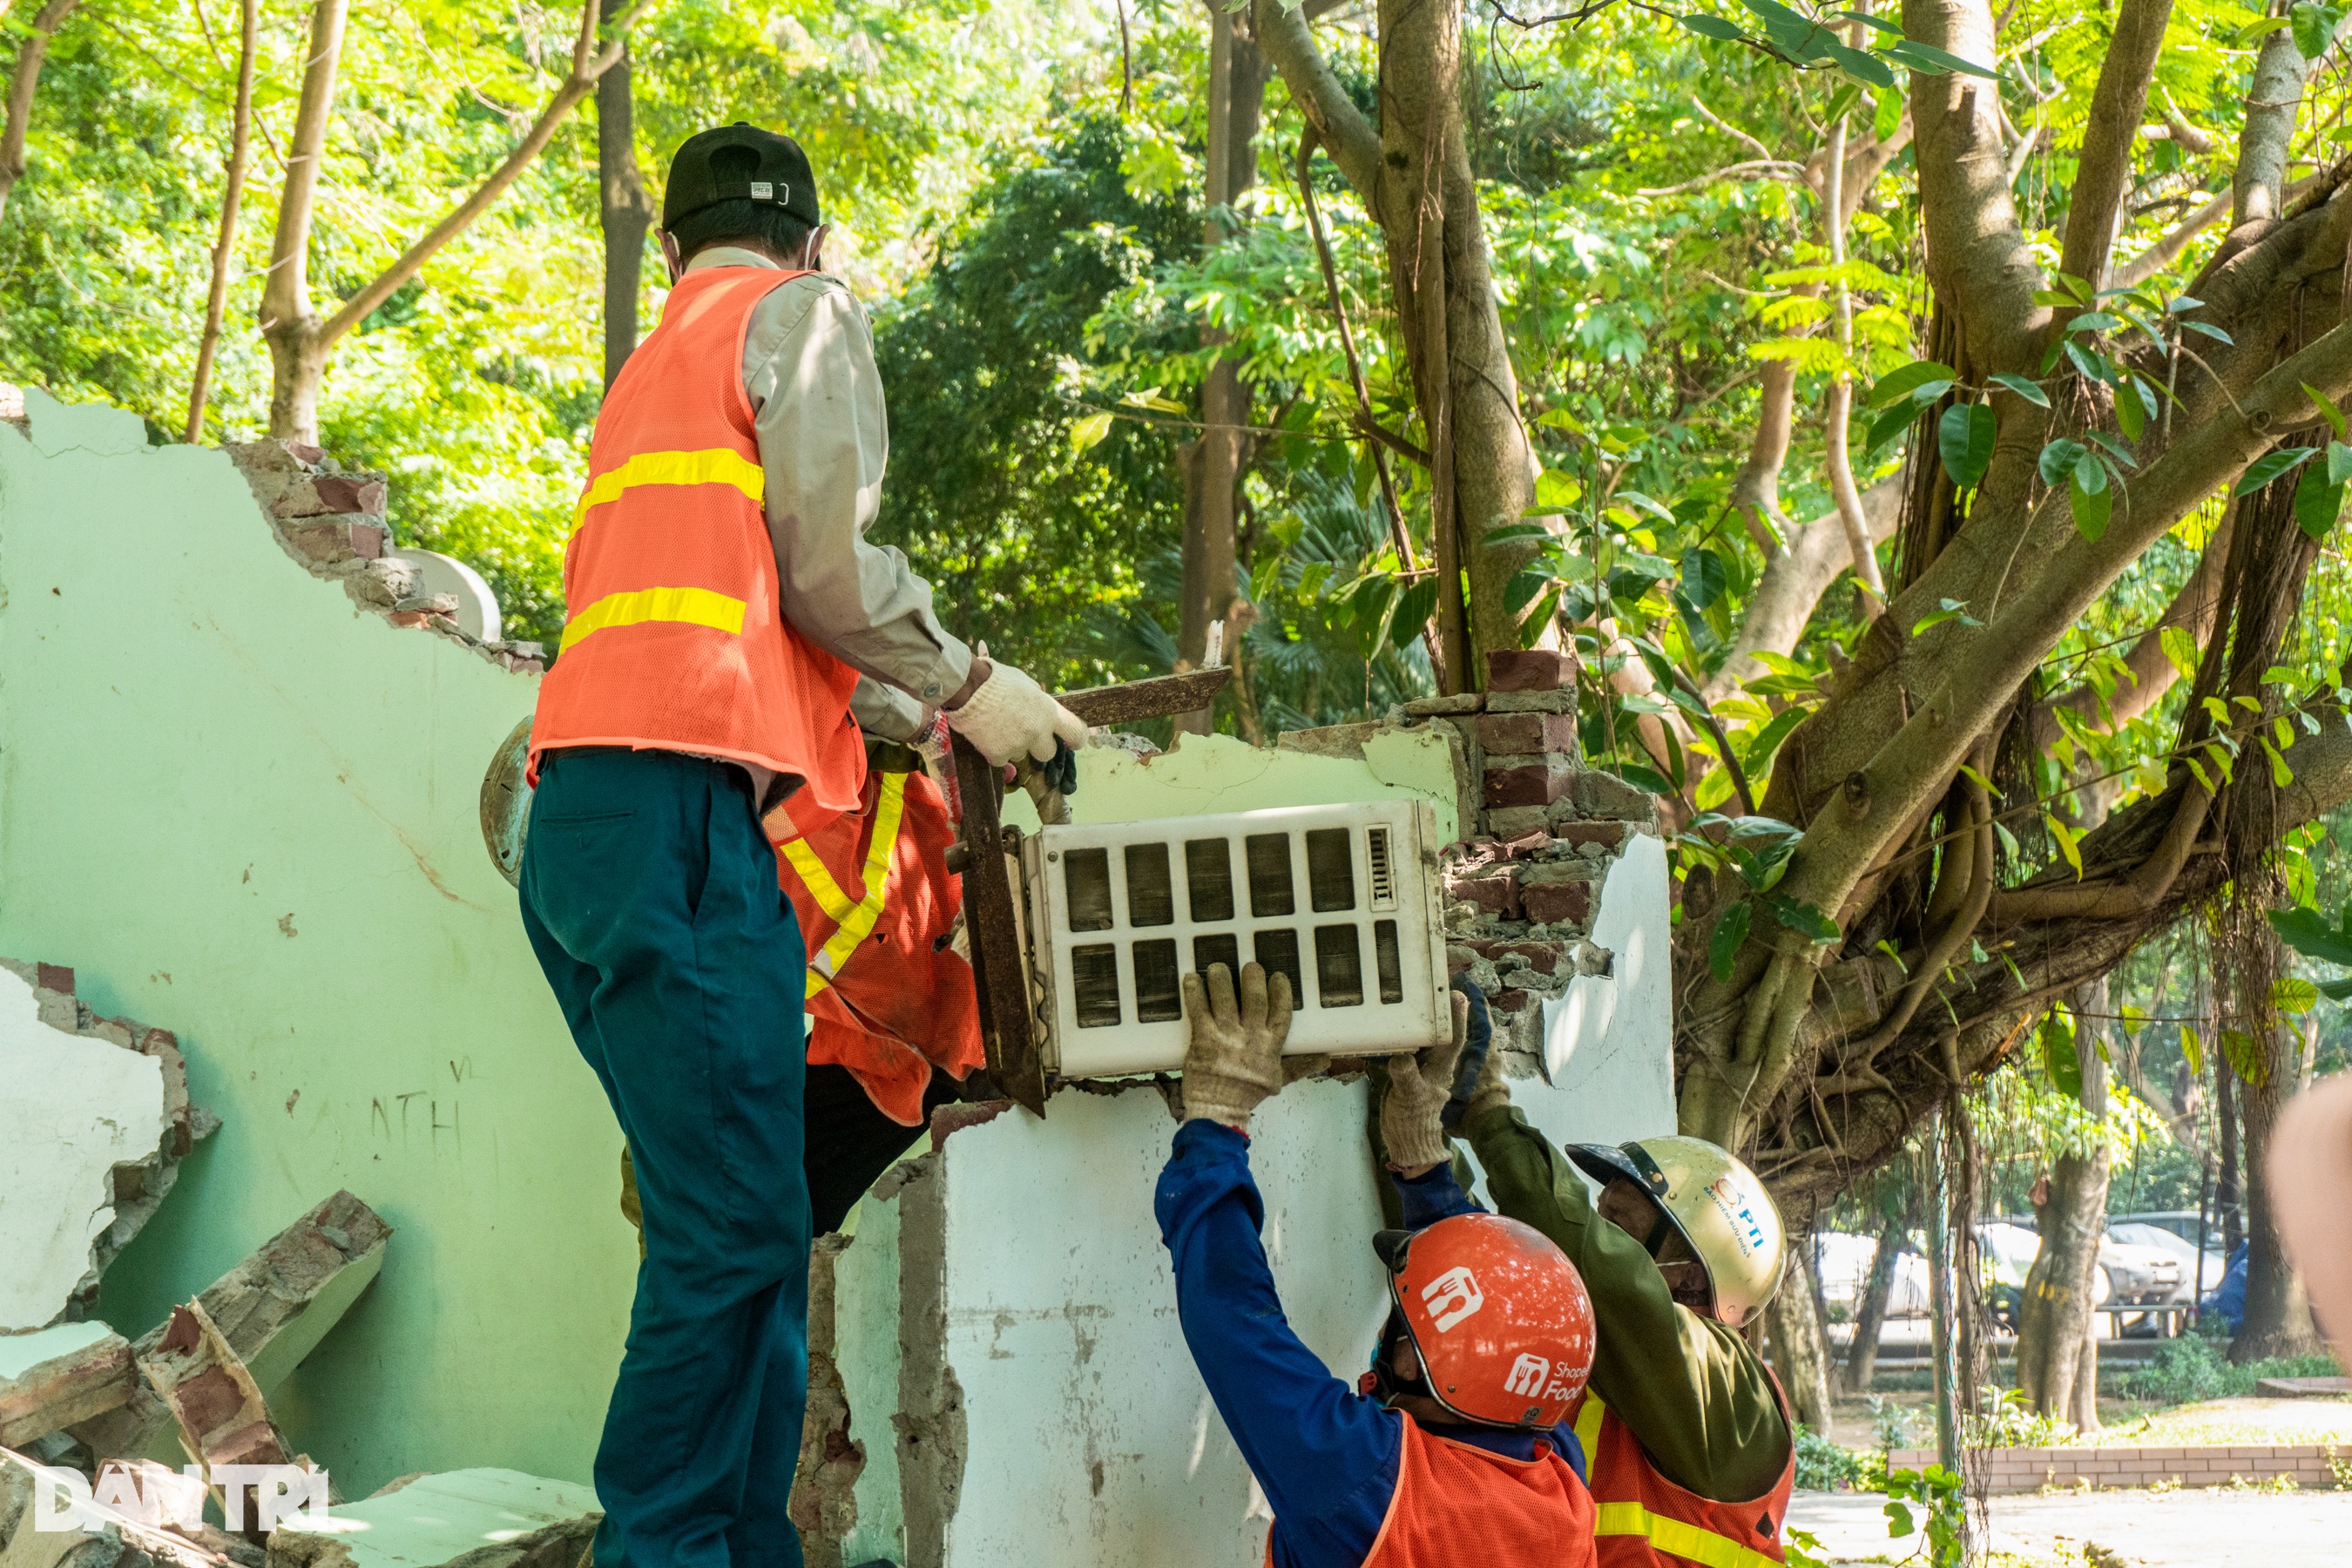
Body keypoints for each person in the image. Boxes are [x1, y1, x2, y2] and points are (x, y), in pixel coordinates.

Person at [517, 122, 1084, 1568]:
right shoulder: (802, 315)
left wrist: (903, 703)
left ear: (680, 240)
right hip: (679, 818)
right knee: (730, 1237)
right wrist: (972, 686)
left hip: (587, 821)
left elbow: (766, 606)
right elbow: (832, 569)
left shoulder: (655, 367)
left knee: (749, 1223)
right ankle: (665, 1557)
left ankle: (741, 1550)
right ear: (815, 239)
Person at [1158, 963, 1603, 1568]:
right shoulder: (1560, 1486)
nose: (1391, 1331)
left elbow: (1233, 1322)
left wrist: (1216, 1118)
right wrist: (1424, 1163)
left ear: (1422, 1366)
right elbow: (1488, 1318)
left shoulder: (1366, 1485)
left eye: (1405, 1327)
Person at [1379, 1016, 1796, 1567]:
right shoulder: (1579, 1363)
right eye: (1601, 1218)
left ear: (1690, 1276)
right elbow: (1482, 1275)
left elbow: (1592, 1265)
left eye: (1618, 1230)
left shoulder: (1732, 1397)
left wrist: (1488, 1111)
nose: (1594, 1239)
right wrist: (1421, 1154)